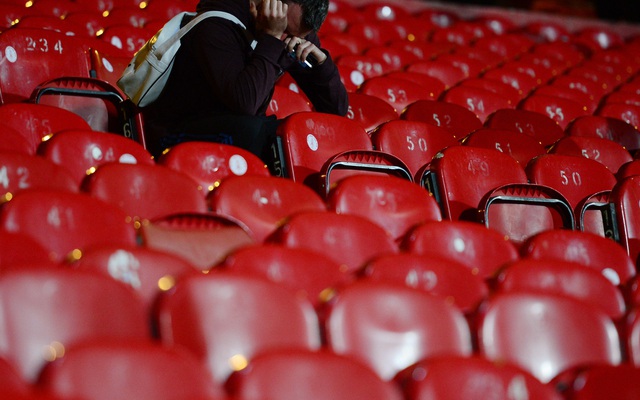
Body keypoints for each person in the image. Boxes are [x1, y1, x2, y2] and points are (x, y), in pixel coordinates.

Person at [142, 0, 349, 163]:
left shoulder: (293, 27)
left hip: (238, 132)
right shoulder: (216, 24)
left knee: (306, 134)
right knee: (262, 133)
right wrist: (271, 37)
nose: (289, 39)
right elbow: (244, 103)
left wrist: (322, 64)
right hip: (176, 132)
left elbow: (336, 111)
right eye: (285, 31)